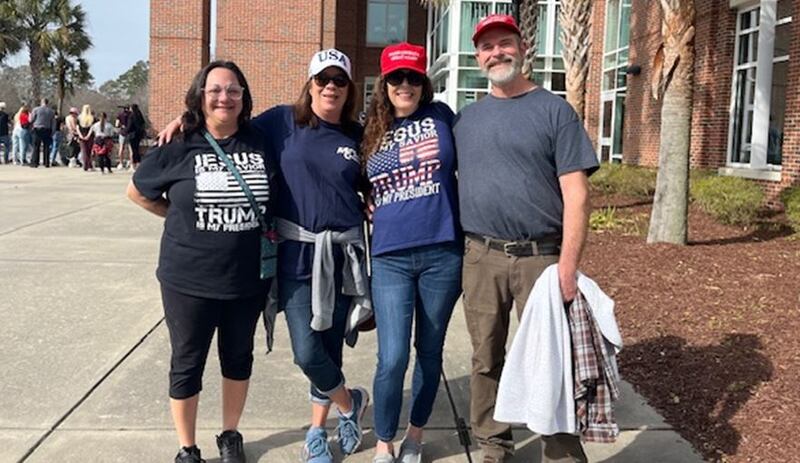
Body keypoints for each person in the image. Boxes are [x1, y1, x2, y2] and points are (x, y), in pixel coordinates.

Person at [159, 48, 371, 463]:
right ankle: (350, 403)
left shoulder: (356, 135)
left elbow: (371, 181)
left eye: (339, 81)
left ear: (349, 90)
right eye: (323, 79)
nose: (330, 86)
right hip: (295, 255)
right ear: (309, 84)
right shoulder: (280, 122)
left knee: (329, 348)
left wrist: (374, 200)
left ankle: (316, 430)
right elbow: (225, 124)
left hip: (343, 257)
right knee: (306, 351)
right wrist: (185, 121)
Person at [454, 14, 599, 463]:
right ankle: (493, 445)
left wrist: (569, 267)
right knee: (485, 358)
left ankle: (559, 450)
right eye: (487, 47)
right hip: (481, 255)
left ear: (522, 48)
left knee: (552, 360)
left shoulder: (554, 110)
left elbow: (577, 194)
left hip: (541, 257)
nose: (496, 52)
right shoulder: (467, 119)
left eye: (504, 43)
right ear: (478, 57)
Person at [128, 60, 277, 463]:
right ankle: (187, 447)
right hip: (187, 278)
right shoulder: (178, 145)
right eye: (214, 90)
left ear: (244, 97)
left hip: (247, 279)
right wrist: (178, 216)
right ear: (200, 96)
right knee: (187, 361)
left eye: (233, 90)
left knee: (238, 358)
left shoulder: (262, 140)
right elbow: (137, 192)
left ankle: (230, 435)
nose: (224, 97)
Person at [361, 42, 462, 463]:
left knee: (430, 350)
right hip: (390, 258)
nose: (405, 84)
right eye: (397, 78)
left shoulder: (443, 118)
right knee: (393, 356)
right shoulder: (367, 130)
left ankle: (414, 436)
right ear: (384, 84)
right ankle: (384, 440)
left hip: (443, 252)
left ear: (424, 83)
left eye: (413, 77)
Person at [29, 98, 56, 168]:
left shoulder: (36, 110)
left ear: (41, 102)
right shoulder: (51, 111)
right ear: (47, 103)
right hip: (47, 129)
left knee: (36, 146)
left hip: (37, 129)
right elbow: (53, 123)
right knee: (46, 147)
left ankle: (35, 163)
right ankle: (46, 163)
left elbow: (31, 119)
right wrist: (52, 132)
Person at [126, 104, 146, 170]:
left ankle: (134, 164)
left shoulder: (131, 116)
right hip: (139, 134)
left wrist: (125, 131)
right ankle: (138, 163)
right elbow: (143, 124)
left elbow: (129, 126)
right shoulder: (139, 115)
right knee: (137, 149)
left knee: (133, 150)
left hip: (132, 135)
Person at [77, 105, 95, 171]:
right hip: (89, 136)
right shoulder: (92, 118)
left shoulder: (79, 117)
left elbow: (77, 127)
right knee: (89, 151)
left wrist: (80, 135)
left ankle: (85, 165)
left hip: (82, 134)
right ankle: (88, 165)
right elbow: (92, 128)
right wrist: (88, 135)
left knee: (84, 151)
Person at [115, 105, 131, 169]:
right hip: (130, 132)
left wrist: (121, 126)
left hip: (122, 133)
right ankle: (131, 162)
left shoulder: (120, 115)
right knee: (130, 148)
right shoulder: (131, 115)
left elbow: (116, 124)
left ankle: (121, 163)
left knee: (121, 148)